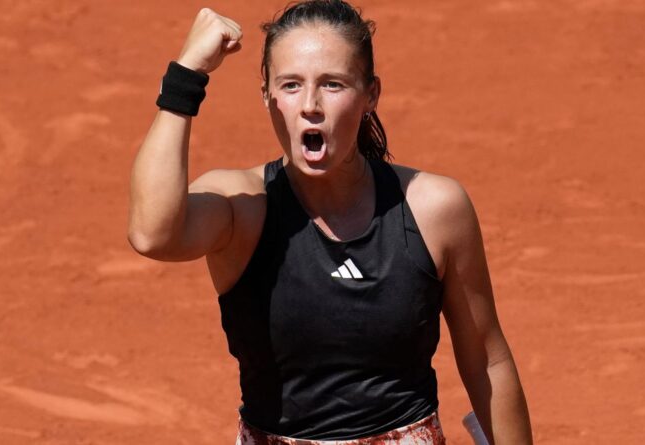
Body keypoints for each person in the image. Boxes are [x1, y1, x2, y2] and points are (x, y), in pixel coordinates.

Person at [128, 1, 532, 443]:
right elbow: (153, 234)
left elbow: (487, 360)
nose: (310, 106)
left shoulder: (433, 207)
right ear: (267, 93)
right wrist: (186, 75)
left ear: (371, 94)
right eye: (291, 85)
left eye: (333, 84)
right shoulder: (243, 206)